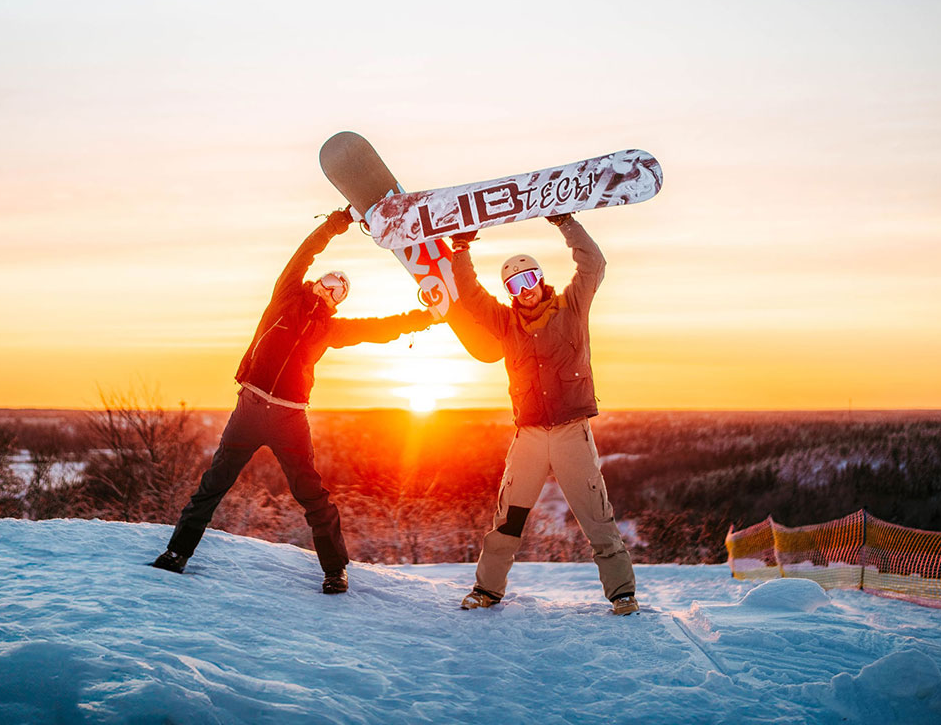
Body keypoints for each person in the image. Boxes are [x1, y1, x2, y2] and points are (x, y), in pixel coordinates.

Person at [151, 207, 432, 593]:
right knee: (214, 484)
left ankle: (335, 570)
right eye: (330, 281)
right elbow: (306, 252)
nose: (332, 289)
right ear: (317, 282)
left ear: (338, 303)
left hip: (290, 419)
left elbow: (377, 329)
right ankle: (177, 553)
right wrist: (338, 223)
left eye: (341, 291)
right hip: (249, 409)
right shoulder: (285, 295)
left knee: (312, 495)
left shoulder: (330, 328)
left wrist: (424, 317)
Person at [449, 213, 639, 615]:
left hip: (572, 431)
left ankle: (622, 593)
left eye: (530, 279)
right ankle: (487, 590)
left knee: (595, 515)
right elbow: (469, 294)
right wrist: (461, 250)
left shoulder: (572, 306)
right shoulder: (505, 323)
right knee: (508, 517)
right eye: (515, 284)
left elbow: (594, 264)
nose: (525, 290)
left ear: (540, 279)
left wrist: (564, 222)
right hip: (530, 437)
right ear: (511, 292)